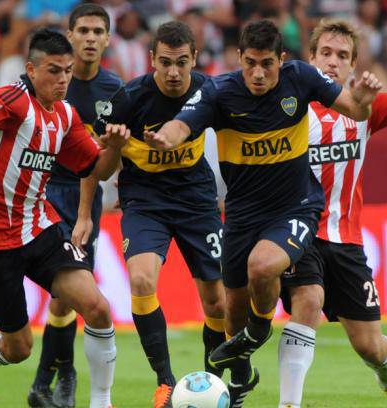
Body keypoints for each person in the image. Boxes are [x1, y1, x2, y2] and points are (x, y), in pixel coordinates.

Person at [144, 19, 382, 407]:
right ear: (239, 58)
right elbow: (181, 125)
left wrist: (364, 98)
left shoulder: (301, 78)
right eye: (251, 63)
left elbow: (355, 110)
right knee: (231, 313)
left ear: (281, 60)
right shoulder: (219, 92)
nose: (258, 73)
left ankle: (259, 329)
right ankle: (240, 382)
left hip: (296, 206)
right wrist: (164, 139)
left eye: (267, 64)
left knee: (262, 266)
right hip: (242, 215)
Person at [0, 28, 129, 408]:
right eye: (53, 71)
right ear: (31, 70)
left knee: (98, 308)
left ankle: (102, 402)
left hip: (39, 228)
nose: (62, 79)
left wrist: (114, 147)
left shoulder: (65, 115)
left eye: (67, 71)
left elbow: (98, 169)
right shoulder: (14, 101)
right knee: (19, 348)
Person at [276, 19, 387, 408]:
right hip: (298, 233)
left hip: (346, 242)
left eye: (342, 56)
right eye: (326, 53)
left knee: (370, 345)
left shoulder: (363, 108)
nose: (332, 62)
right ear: (311, 58)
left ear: (352, 64)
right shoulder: (286, 108)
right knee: (308, 300)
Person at [98, 21, 227, 408]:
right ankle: (165, 382)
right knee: (140, 280)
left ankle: (214, 382)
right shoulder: (128, 99)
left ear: (195, 59)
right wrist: (114, 149)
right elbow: (99, 170)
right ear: (152, 59)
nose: (173, 72)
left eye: (181, 62)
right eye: (166, 62)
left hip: (196, 199)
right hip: (145, 199)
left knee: (218, 301)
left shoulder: (209, 92)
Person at [26, 5, 123, 408]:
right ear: (70, 35)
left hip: (87, 195)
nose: (90, 38)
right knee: (64, 287)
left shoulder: (114, 89)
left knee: (66, 294)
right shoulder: (41, 81)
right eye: (82, 30)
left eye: (97, 31)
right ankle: (59, 377)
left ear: (107, 39)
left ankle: (49, 381)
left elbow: (108, 156)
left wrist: (92, 208)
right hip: (45, 190)